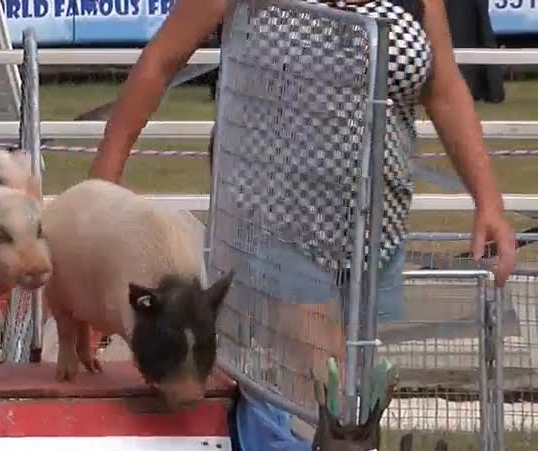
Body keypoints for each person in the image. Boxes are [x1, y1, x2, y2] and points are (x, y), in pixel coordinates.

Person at [88, 0, 518, 397]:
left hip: (374, 229)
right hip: (271, 219)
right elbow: (161, 62)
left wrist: (489, 202)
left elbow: (443, 91)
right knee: (323, 382)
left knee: (350, 386)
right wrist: (104, 182)